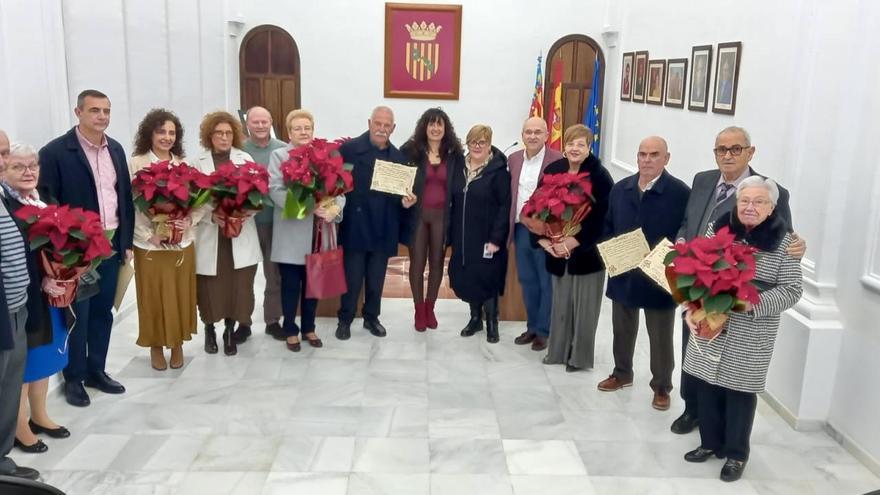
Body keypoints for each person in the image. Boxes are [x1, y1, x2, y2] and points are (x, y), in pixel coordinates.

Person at [671, 125, 806, 435]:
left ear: (750, 152)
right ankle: (691, 409)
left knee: (731, 373)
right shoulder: (703, 180)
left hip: (737, 298)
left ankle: (724, 433)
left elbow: (785, 237)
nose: (727, 155)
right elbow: (689, 222)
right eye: (721, 149)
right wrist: (682, 243)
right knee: (693, 349)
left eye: (735, 149)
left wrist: (799, 246)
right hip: (699, 284)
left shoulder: (771, 192)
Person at [682, 176, 803, 482]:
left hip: (751, 329)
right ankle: (709, 443)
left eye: (759, 201)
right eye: (744, 201)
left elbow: (792, 290)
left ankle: (736, 454)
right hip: (711, 319)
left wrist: (752, 303)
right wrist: (690, 307)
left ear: (772, 207)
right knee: (706, 384)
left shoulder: (784, 241)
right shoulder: (719, 228)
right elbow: (697, 267)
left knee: (740, 393)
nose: (750, 207)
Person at [38, 89, 134, 407]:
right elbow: (47, 200)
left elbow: (124, 199)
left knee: (104, 311)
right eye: (95, 110)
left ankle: (97, 370)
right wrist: (65, 246)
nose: (102, 117)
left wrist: (126, 242)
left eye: (106, 111)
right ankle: (75, 378)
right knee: (79, 313)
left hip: (112, 244)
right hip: (78, 250)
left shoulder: (116, 149)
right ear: (78, 112)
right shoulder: (55, 152)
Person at [596, 137, 689, 411]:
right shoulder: (621, 189)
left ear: (666, 158)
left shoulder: (681, 193)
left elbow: (685, 232)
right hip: (623, 271)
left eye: (654, 155)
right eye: (642, 154)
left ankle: (661, 385)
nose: (647, 160)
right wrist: (611, 251)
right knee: (622, 328)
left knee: (660, 334)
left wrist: (668, 259)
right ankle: (622, 372)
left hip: (658, 275)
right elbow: (608, 225)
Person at [2, 143, 72, 455]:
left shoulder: (43, 201)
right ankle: (19, 425)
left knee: (44, 356)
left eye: (33, 166)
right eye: (19, 166)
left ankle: (40, 415)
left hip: (49, 294)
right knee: (24, 364)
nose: (28, 172)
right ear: (5, 169)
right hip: (25, 295)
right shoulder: (10, 206)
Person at [129, 109, 204, 370]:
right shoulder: (136, 163)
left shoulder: (185, 164)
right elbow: (131, 207)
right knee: (153, 297)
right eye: (161, 132)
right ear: (150, 133)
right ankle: (156, 346)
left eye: (172, 132)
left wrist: (188, 221)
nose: (167, 137)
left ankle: (177, 344)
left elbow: (200, 203)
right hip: (150, 244)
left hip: (181, 243)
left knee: (180, 295)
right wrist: (149, 234)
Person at [535, 124, 613, 372]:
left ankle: (578, 358)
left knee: (584, 308)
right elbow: (536, 207)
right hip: (557, 251)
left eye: (581, 144)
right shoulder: (553, 170)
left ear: (590, 147)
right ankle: (557, 352)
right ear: (563, 146)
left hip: (587, 254)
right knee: (561, 304)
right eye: (570, 143)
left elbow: (603, 218)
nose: (575, 148)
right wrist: (545, 240)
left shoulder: (599, 175)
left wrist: (575, 240)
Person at [335, 106, 417, 340]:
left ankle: (371, 318)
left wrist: (406, 202)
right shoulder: (348, 150)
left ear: (393, 128)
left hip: (383, 227)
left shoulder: (398, 158)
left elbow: (400, 195)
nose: (382, 128)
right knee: (351, 278)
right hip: (355, 227)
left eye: (386, 125)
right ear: (370, 122)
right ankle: (345, 319)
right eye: (378, 123)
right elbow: (335, 185)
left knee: (376, 279)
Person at [268, 109, 344, 351]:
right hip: (291, 233)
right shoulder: (279, 155)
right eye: (298, 128)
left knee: (314, 285)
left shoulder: (324, 155)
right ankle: (290, 328)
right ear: (289, 132)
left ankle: (309, 327)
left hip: (318, 234)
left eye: (307, 128)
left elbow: (339, 188)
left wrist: (333, 209)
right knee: (291, 285)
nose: (303, 132)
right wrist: (311, 207)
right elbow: (275, 190)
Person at [193, 111, 260, 356]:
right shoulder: (197, 162)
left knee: (238, 285)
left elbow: (256, 195)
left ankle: (230, 330)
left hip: (239, 231)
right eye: (219, 133)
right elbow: (191, 201)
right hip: (211, 233)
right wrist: (212, 215)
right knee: (210, 286)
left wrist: (242, 214)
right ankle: (209, 329)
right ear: (209, 136)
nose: (224, 137)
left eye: (228, 133)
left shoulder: (245, 158)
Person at [0, 131, 40, 479]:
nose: (2, 162)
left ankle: (2, 458)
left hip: (17, 305)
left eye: (3, 154)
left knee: (10, 383)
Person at [401, 108, 463, 332]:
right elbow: (398, 180)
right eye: (431, 124)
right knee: (417, 264)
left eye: (440, 124)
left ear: (445, 128)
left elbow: (459, 187)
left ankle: (430, 308)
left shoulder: (454, 153)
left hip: (442, 218)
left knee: (437, 264)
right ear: (424, 127)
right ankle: (418, 310)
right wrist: (403, 196)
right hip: (417, 216)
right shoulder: (410, 150)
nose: (435, 129)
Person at [448, 124, 510, 344]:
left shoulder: (498, 171)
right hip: (463, 236)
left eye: (481, 142)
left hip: (487, 237)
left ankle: (492, 323)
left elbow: (505, 207)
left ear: (489, 144)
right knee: (468, 276)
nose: (476, 146)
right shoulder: (459, 168)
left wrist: (496, 239)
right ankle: (475, 318)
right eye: (473, 141)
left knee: (488, 278)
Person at [507, 117, 563, 350]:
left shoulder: (558, 160)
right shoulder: (513, 159)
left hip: (544, 231)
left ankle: (544, 330)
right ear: (522, 135)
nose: (532, 136)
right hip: (521, 228)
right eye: (528, 132)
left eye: (537, 132)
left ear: (547, 135)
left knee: (545, 281)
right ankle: (531, 327)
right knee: (527, 279)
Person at [242, 106, 286, 339]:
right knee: (245, 276)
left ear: (271, 123)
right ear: (247, 124)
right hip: (245, 224)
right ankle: (243, 323)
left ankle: (272, 320)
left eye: (264, 122)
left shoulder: (282, 150)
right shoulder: (238, 150)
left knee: (273, 275)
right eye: (255, 122)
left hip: (275, 223)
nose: (260, 126)